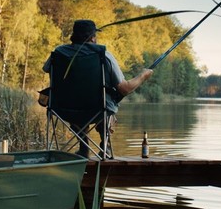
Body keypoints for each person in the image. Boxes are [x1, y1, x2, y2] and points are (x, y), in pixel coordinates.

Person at [43, 19, 153, 158]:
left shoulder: (58, 53)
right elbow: (125, 89)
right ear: (93, 37)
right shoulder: (103, 55)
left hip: (63, 109)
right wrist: (143, 75)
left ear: (74, 35)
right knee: (107, 101)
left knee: (76, 99)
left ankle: (84, 148)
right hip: (97, 109)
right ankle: (104, 146)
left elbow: (46, 69)